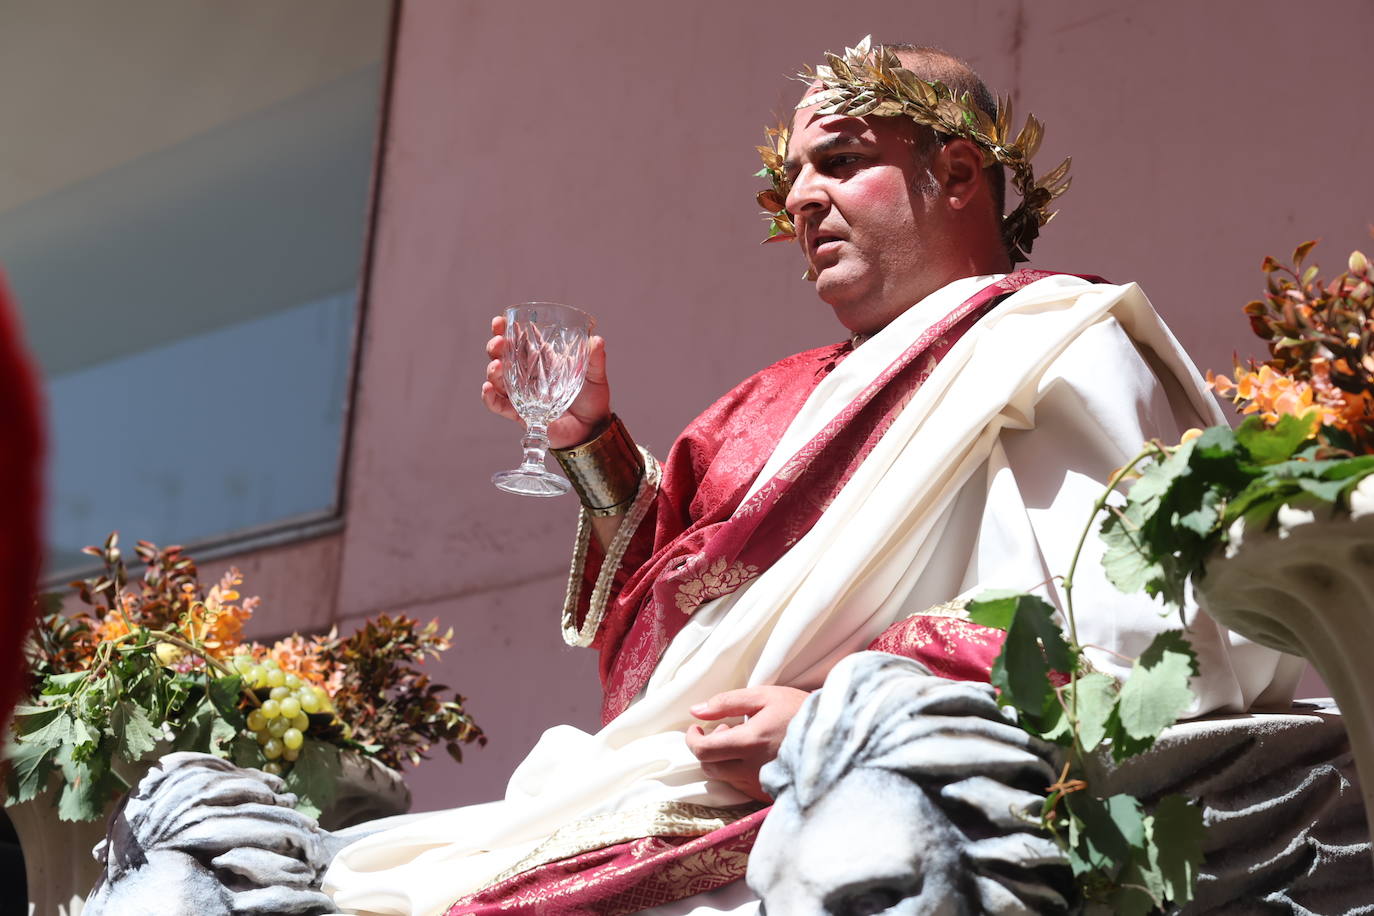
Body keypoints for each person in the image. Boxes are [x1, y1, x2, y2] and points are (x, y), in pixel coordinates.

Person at [322, 39, 1302, 915]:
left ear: (957, 173)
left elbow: (1103, 623)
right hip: (673, 776)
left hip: (884, 773)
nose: (798, 198)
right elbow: (669, 625)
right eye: (791, 175)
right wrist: (591, 443)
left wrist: (839, 717)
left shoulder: (1053, 343)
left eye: (838, 163)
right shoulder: (771, 395)